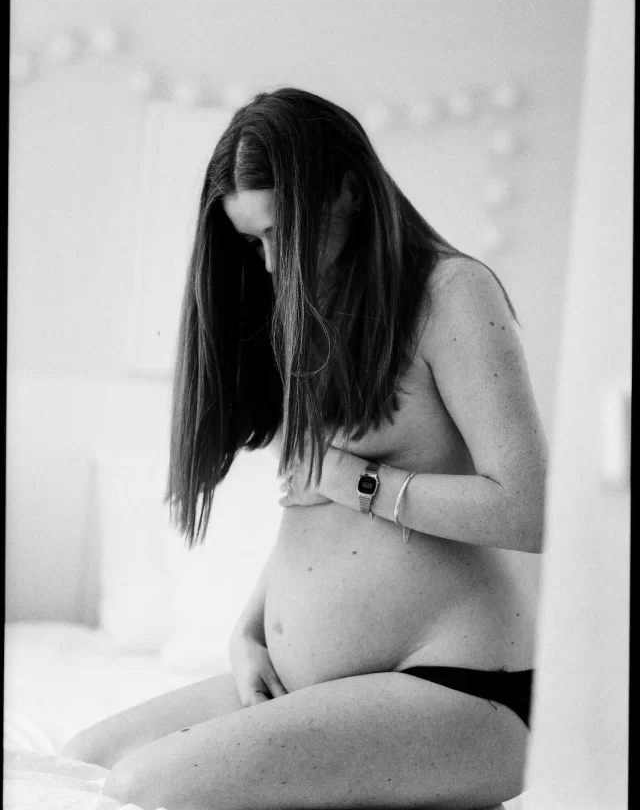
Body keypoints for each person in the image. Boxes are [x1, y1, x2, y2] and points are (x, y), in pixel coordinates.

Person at [62, 87, 548, 810]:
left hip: (458, 689)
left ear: (348, 192)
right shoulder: (320, 317)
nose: (266, 264)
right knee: (82, 766)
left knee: (143, 789)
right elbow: (308, 511)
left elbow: (531, 509)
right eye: (252, 241)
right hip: (318, 681)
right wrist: (249, 631)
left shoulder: (454, 293)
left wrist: (362, 482)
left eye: (277, 234)